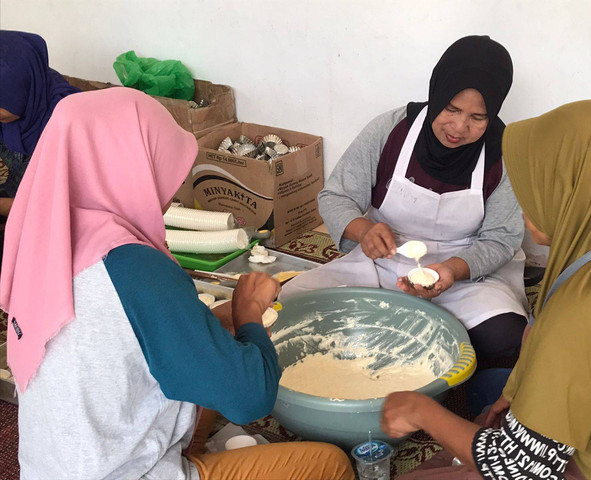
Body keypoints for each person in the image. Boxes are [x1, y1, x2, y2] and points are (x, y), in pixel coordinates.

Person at [0, 87, 354, 480]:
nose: (168, 195)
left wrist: (212, 322)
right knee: (329, 465)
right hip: (121, 471)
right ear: (131, 168)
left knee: (210, 371)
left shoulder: (44, 243)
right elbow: (252, 397)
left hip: (50, 468)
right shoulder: (133, 268)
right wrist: (249, 313)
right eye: (163, 172)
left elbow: (124, 335)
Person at [380, 100, 591, 479]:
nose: (522, 210)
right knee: (491, 388)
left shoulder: (584, 313)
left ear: (573, 193)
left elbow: (519, 467)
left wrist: (421, 410)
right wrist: (520, 387)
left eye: (536, 191)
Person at [280, 36, 528, 367]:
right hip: (381, 264)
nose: (459, 127)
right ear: (437, 93)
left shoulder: (502, 153)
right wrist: (364, 230)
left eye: (477, 118)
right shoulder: (392, 131)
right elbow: (336, 196)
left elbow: (501, 238)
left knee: (507, 340)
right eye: (451, 109)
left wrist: (452, 271)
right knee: (289, 307)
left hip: (463, 275)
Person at [0, 30, 80, 273]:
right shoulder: (19, 101)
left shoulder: (67, 123)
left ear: (19, 89)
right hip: (19, 201)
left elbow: (63, 208)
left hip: (60, 224)